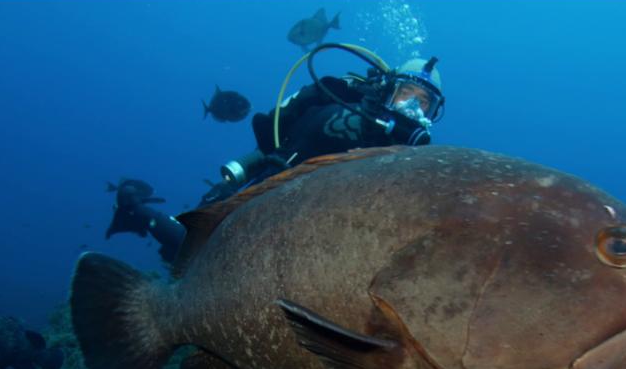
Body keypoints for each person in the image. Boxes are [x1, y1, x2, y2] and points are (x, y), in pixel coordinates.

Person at [105, 44, 446, 263]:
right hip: (272, 194)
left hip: (319, 232)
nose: (413, 106)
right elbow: (320, 128)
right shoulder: (349, 109)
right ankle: (135, 207)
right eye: (407, 93)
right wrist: (368, 125)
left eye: (424, 102)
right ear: (389, 89)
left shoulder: (406, 154)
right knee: (194, 251)